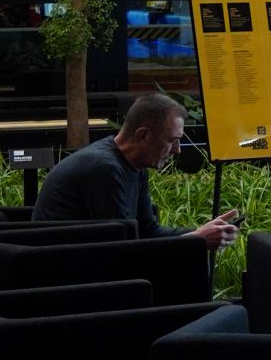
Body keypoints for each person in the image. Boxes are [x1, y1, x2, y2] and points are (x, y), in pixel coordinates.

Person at [33, 92, 239, 249]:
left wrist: (202, 232)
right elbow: (124, 249)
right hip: (64, 271)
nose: (177, 150)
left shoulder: (135, 165)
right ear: (143, 136)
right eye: (172, 140)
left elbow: (148, 231)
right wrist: (196, 239)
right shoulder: (104, 169)